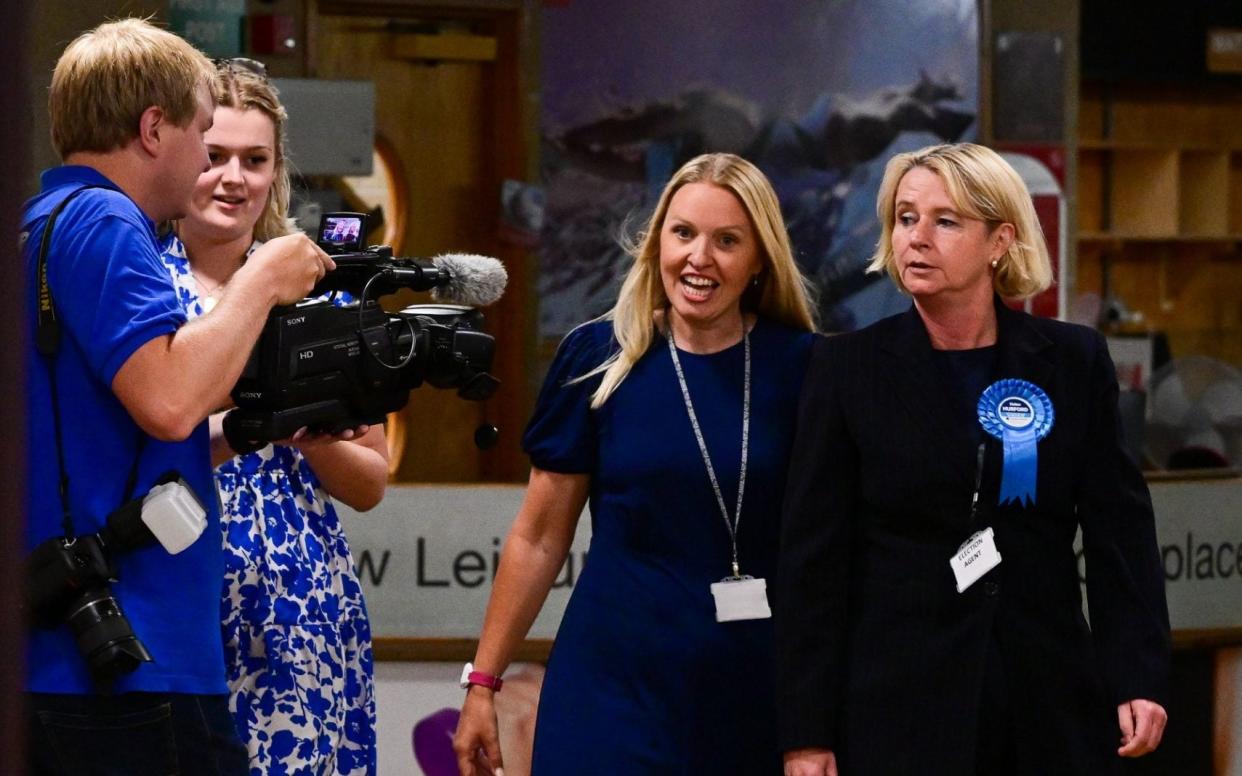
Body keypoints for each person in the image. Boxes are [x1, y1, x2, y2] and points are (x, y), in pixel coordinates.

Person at [776, 143, 1171, 776]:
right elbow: (812, 564)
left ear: (999, 241)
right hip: (897, 708)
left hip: (1044, 699)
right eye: (906, 218)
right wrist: (806, 732)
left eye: (946, 221)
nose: (918, 238)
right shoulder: (846, 369)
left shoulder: (1072, 361)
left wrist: (1138, 673)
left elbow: (1118, 533)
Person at [22, 19, 332, 775]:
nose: (205, 160)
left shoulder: (41, 221)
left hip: (69, 649)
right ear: (153, 128)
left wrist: (246, 430)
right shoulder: (106, 221)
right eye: (201, 132)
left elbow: (124, 422)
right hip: (132, 655)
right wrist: (263, 278)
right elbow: (167, 400)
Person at [453, 152, 817, 775]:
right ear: (656, 245)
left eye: (726, 240)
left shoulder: (806, 367)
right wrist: (483, 682)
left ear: (759, 257)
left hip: (752, 688)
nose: (698, 258)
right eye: (683, 234)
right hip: (611, 685)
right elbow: (539, 537)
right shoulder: (597, 356)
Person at [159, 59, 389, 775]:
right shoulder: (139, 282)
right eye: (216, 155)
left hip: (302, 606)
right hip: (177, 594)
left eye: (254, 160)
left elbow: (370, 482)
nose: (233, 178)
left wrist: (309, 435)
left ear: (276, 171)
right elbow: (141, 439)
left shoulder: (323, 296)